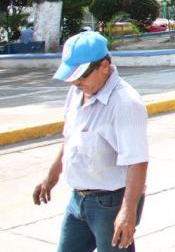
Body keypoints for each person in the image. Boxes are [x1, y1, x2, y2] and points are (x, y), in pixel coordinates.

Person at [33, 31, 149, 252]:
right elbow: (70, 137)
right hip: (77, 201)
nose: (76, 81)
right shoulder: (77, 93)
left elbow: (138, 162)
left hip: (110, 205)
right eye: (72, 76)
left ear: (104, 65)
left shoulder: (125, 103)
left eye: (81, 75)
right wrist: (52, 175)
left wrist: (128, 212)